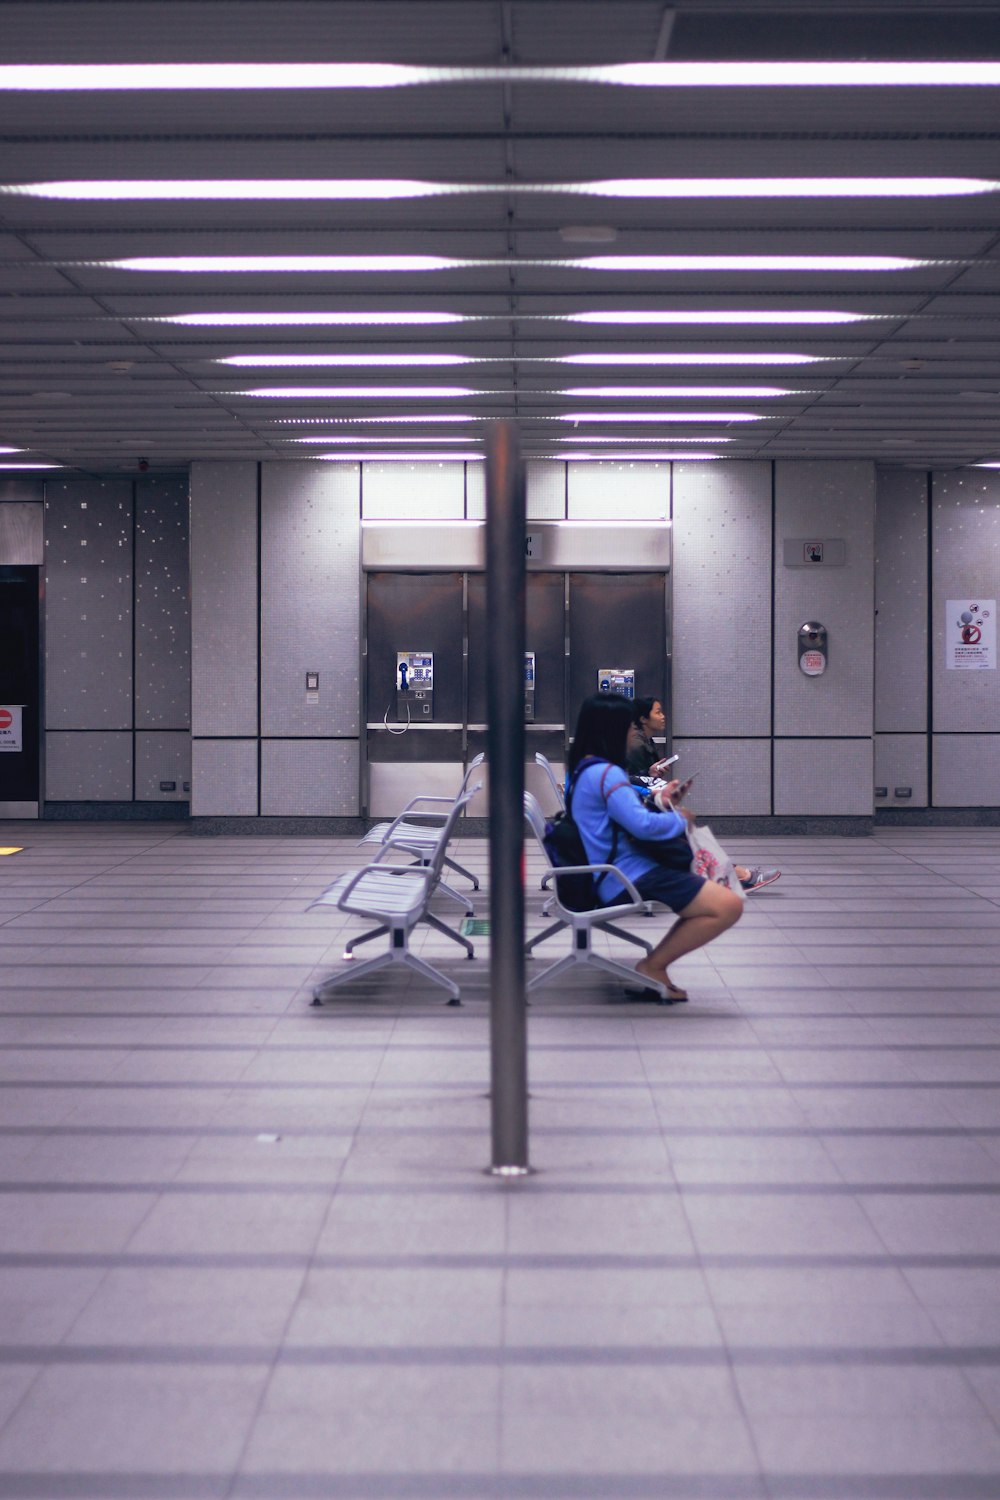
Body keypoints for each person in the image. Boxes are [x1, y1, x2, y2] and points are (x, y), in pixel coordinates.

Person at [567, 692, 743, 1002]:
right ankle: (653, 965)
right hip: (626, 874)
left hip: (614, 870)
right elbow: (643, 826)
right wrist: (681, 820)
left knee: (714, 899)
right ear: (611, 729)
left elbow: (624, 814)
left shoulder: (584, 769)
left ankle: (656, 966)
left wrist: (659, 802)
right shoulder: (606, 775)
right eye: (627, 727)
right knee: (728, 905)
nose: (631, 733)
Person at [627, 696, 781, 894]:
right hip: (633, 837)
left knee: (687, 836)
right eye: (657, 712)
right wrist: (654, 794)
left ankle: (734, 875)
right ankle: (737, 877)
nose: (663, 716)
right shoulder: (630, 751)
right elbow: (631, 793)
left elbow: (631, 783)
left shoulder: (608, 766)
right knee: (686, 837)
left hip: (637, 824)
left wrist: (649, 778)